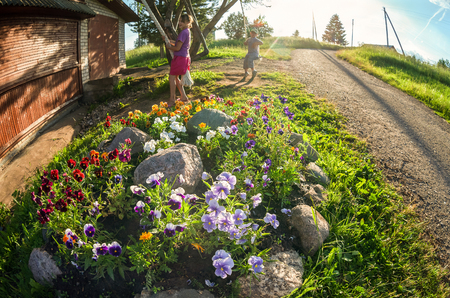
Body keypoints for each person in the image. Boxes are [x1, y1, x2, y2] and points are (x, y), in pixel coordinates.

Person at [164, 14, 193, 106]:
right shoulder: (187, 31)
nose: (179, 23)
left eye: (182, 21)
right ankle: (183, 97)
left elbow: (177, 48)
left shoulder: (184, 32)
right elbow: (177, 43)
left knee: (172, 77)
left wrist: (169, 47)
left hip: (180, 58)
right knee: (175, 78)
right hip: (184, 58)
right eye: (179, 21)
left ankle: (172, 99)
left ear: (188, 23)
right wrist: (168, 40)